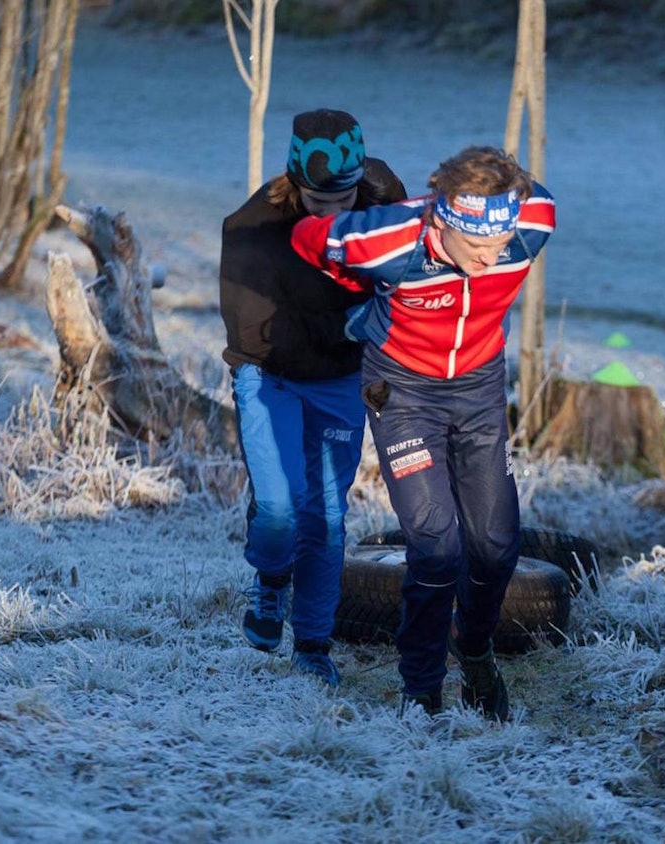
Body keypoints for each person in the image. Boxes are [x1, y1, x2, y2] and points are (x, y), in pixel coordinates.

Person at [291, 146, 555, 719]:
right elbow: (309, 239)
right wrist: (359, 294)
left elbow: (532, 200)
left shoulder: (532, 222)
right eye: (477, 245)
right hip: (401, 391)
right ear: (442, 218)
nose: (491, 258)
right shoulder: (388, 240)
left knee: (496, 544)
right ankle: (421, 689)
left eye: (500, 244)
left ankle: (475, 650)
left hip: (480, 387)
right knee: (435, 546)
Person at [219, 109, 407, 687]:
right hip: (268, 372)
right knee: (280, 507)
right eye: (318, 203)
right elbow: (254, 336)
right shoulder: (254, 228)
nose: (331, 214)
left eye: (342, 201)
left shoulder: (382, 200)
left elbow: (408, 270)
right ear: (294, 183)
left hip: (340, 381)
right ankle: (271, 579)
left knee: (324, 513)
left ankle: (313, 645)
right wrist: (351, 324)